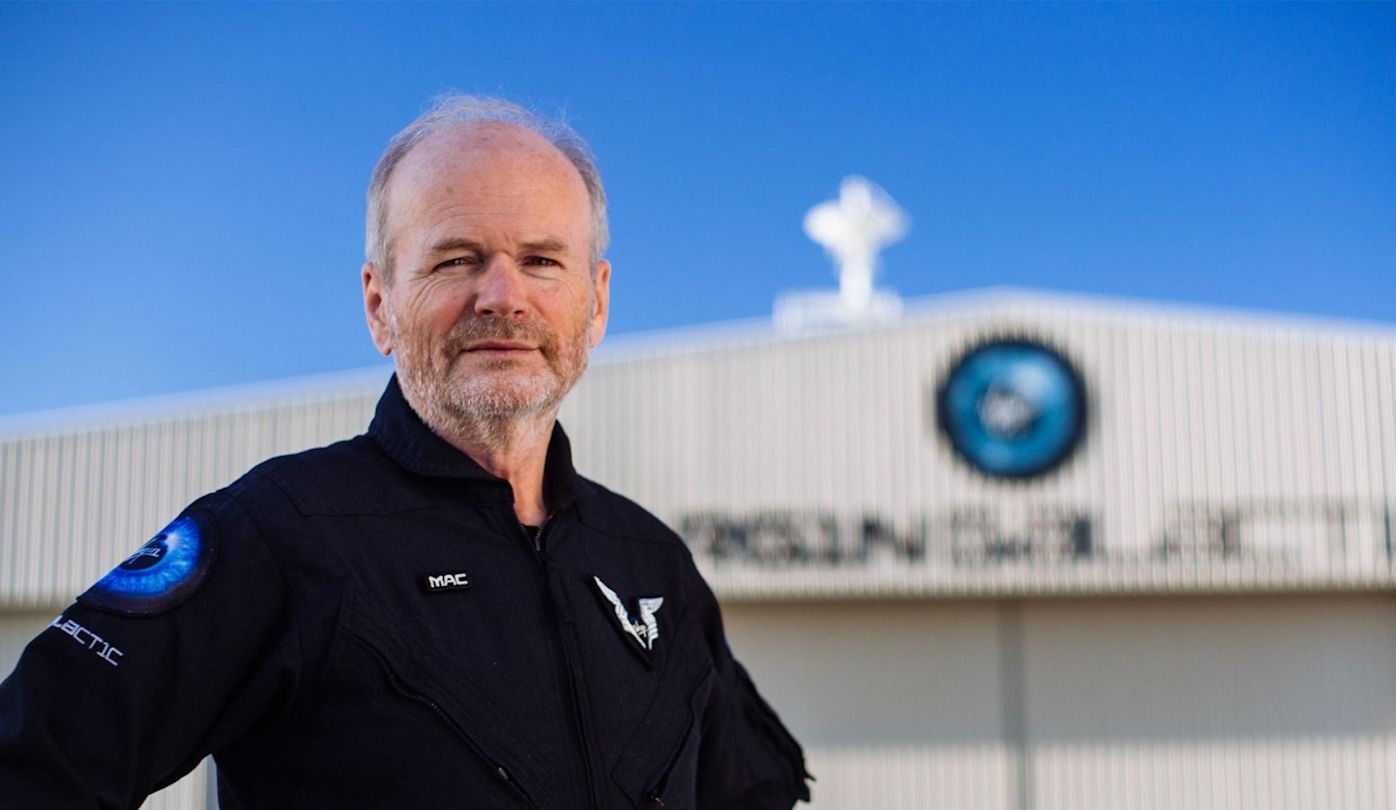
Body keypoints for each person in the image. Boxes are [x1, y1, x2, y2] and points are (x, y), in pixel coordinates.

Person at [0, 94, 811, 810]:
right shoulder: (279, 535)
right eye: (456, 260)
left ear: (596, 303)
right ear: (380, 304)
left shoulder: (650, 561)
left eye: (540, 261)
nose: (503, 295)